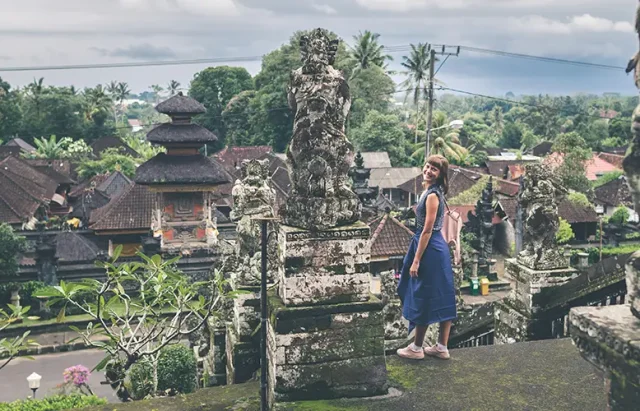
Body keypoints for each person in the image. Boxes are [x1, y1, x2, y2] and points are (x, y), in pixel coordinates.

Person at [396, 154, 458, 360]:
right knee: (442, 293)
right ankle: (441, 346)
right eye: (427, 166)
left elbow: (427, 230)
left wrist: (416, 260)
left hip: (429, 247)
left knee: (422, 293)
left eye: (434, 168)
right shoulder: (433, 192)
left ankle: (416, 348)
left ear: (441, 175)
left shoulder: (432, 195)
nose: (428, 170)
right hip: (435, 247)